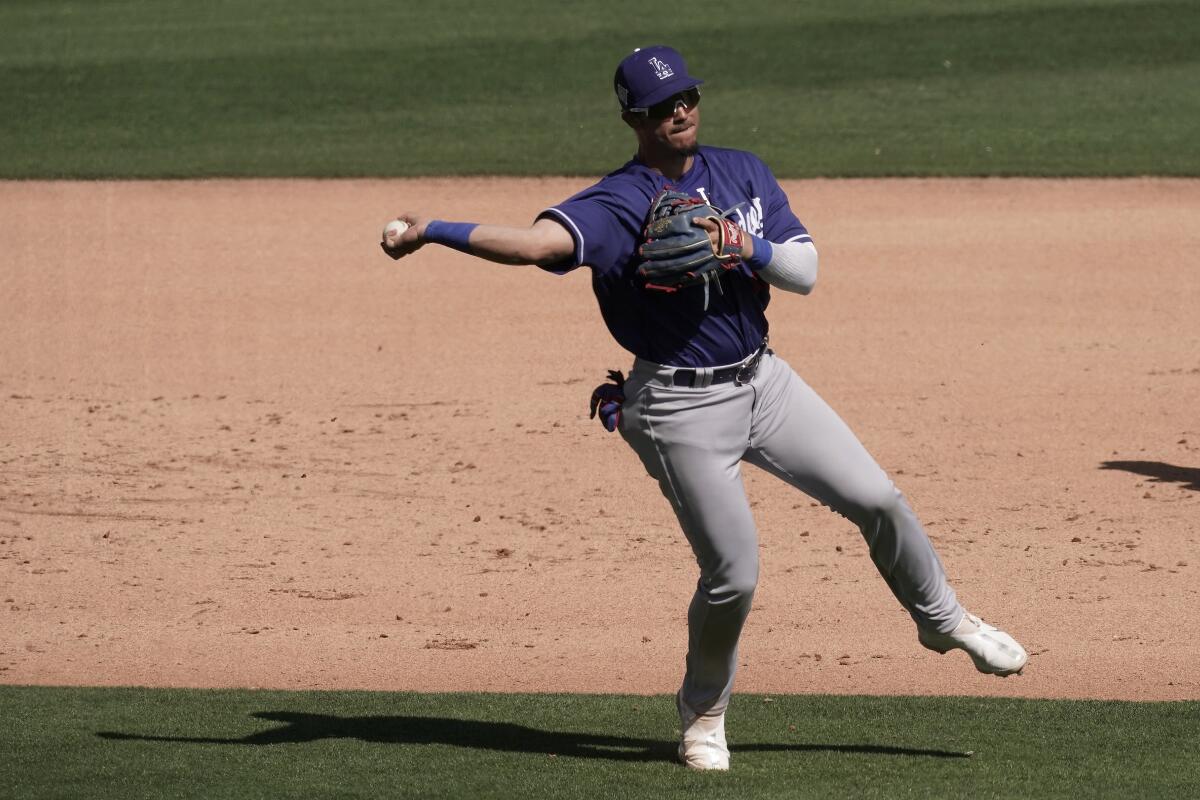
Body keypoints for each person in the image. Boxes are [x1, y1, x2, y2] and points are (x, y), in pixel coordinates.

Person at [381, 45, 1028, 771]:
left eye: (687, 96)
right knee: (735, 575)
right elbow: (537, 245)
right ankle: (704, 710)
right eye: (661, 106)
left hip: (766, 382)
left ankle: (942, 622)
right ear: (634, 118)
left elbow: (806, 272)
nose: (679, 111)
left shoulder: (743, 171)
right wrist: (432, 229)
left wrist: (740, 241)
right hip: (676, 407)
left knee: (878, 497)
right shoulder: (616, 203)